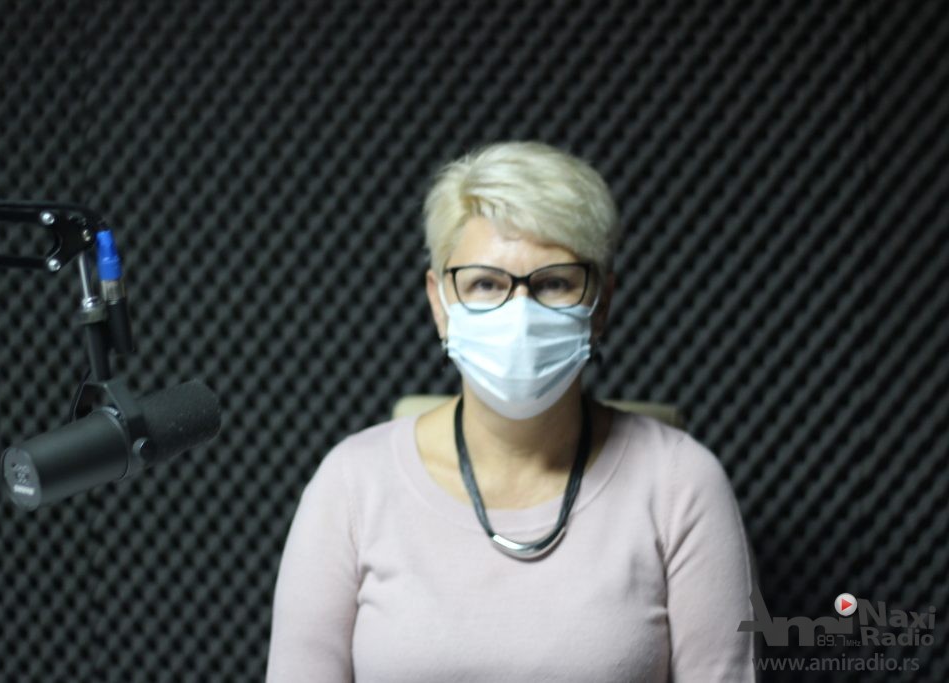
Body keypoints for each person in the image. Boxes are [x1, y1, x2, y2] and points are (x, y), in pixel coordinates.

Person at [266, 141, 757, 682]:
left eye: (554, 283)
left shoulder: (682, 485)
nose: (520, 314)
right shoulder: (351, 485)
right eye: (485, 283)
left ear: (601, 304)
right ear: (439, 302)